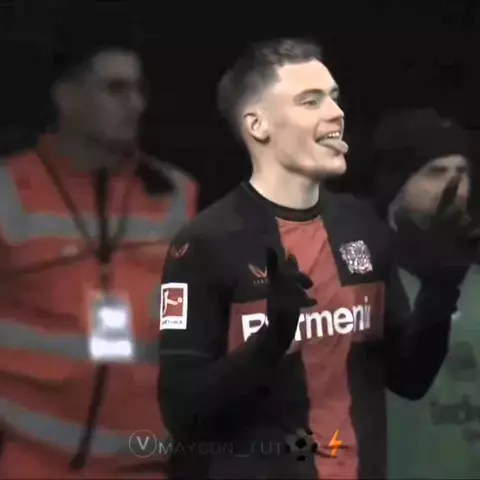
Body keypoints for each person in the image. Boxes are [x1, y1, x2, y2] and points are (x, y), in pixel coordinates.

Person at [157, 38, 465, 479]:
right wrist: (272, 339)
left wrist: (440, 290)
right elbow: (181, 412)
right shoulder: (205, 243)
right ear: (258, 126)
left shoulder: (361, 226)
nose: (336, 113)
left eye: (334, 98)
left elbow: (409, 380)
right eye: (310, 101)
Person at [0, 31, 198, 478]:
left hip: (144, 463)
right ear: (67, 98)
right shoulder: (10, 191)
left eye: (139, 89)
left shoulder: (175, 195)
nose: (136, 104)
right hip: (32, 462)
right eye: (115, 89)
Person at [373, 108, 480, 479]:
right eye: (436, 172)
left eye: (462, 172)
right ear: (396, 186)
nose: (454, 186)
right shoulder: (361, 281)